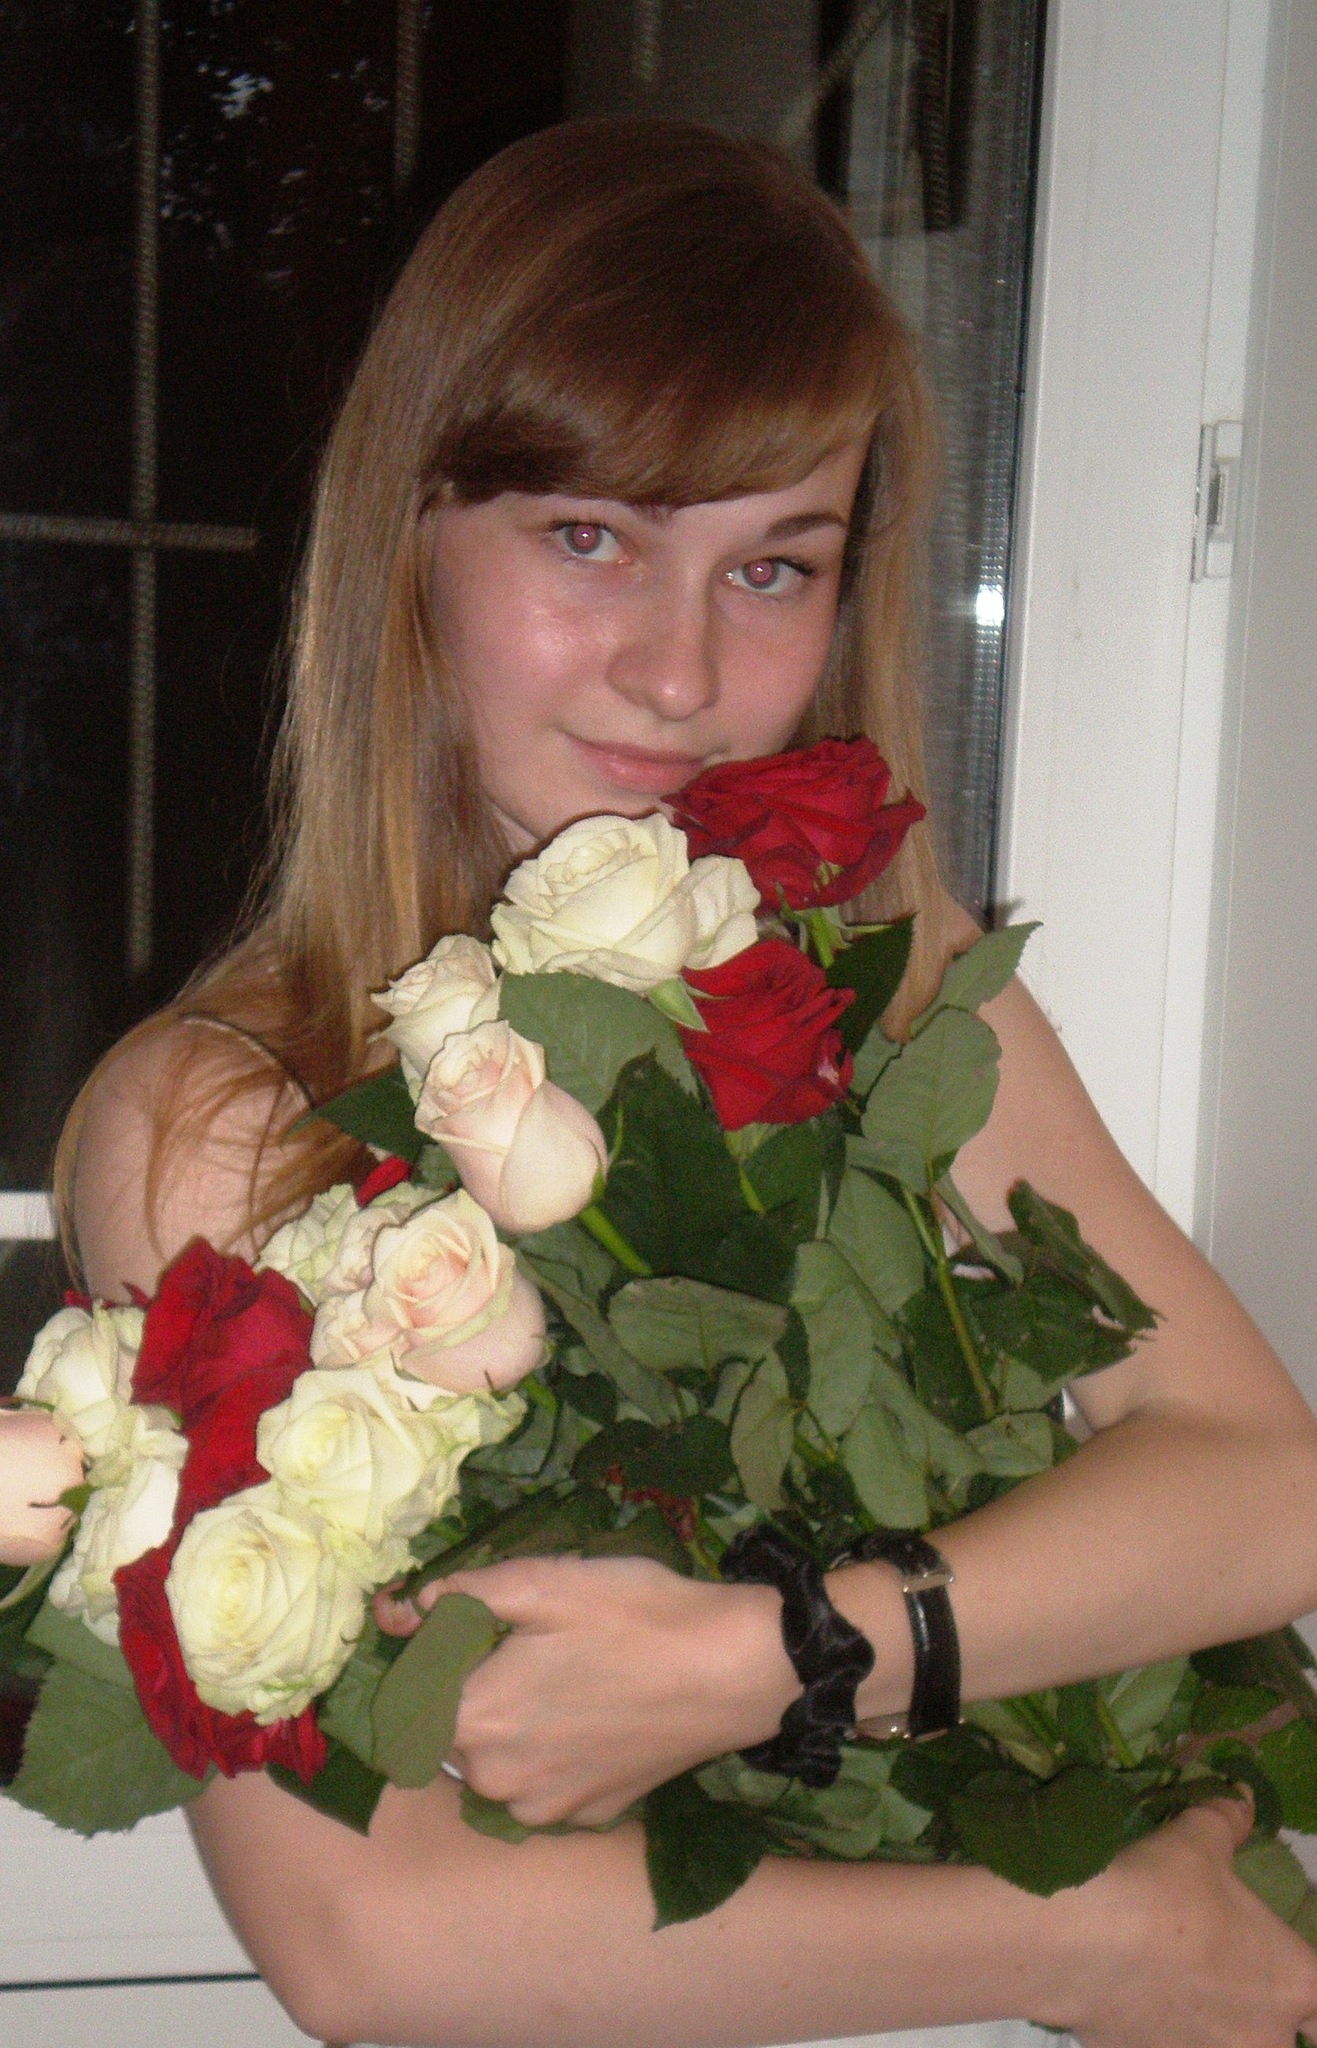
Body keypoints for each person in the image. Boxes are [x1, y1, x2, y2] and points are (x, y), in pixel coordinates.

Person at [58, 118, 1317, 2048]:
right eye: (590, 538)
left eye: (773, 565)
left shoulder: (876, 991)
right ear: (407, 537)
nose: (678, 670)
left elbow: (1262, 1481)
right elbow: (371, 1936)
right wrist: (1092, 1945)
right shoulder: (227, 1117)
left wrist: (786, 1655)